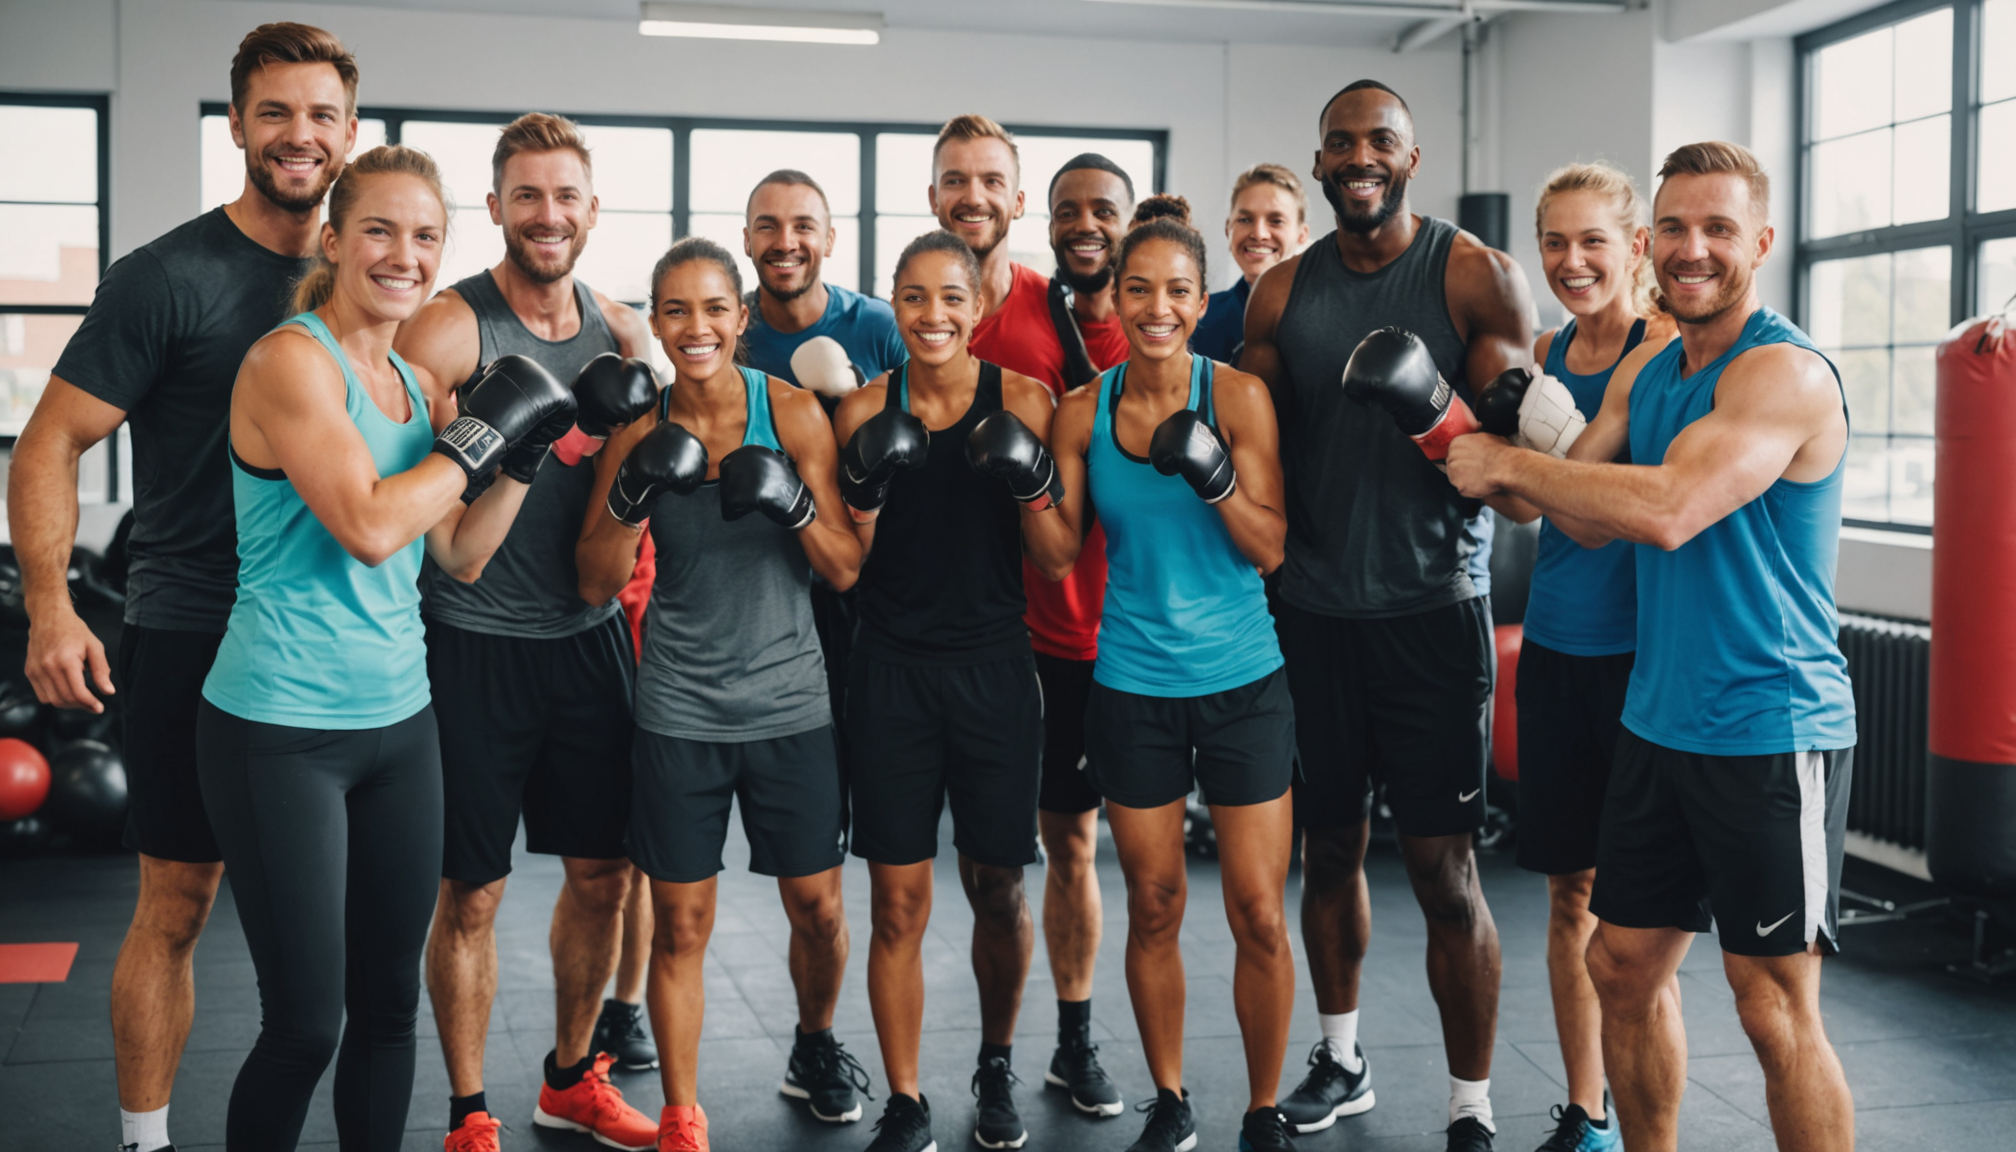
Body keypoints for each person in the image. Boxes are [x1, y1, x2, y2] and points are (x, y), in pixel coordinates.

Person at [1446, 141, 1858, 1152]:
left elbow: (1672, 508)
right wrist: (1478, 448)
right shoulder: (1648, 368)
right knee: (1621, 968)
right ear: (1652, 243)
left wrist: (1505, 460)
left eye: (1719, 228)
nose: (1693, 248)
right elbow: (1582, 520)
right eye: (1675, 227)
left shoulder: (1784, 373)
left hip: (1769, 722)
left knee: (1772, 1005)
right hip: (1658, 718)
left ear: (1760, 242)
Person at [6, 24, 357, 1152]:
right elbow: (49, 442)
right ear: (239, 125)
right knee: (177, 905)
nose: (298, 135)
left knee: (354, 936)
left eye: (320, 115)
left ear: (350, 131)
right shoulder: (166, 278)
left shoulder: (371, 272)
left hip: (340, 645)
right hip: (197, 634)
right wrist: (55, 606)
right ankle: (144, 1143)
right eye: (274, 113)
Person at [197, 143, 571, 1152]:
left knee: (391, 1009)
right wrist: (477, 445)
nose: (402, 255)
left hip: (401, 728)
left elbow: (454, 553)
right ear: (333, 240)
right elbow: (367, 522)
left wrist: (520, 460)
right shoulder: (288, 362)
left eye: (424, 237)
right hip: (280, 728)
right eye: (378, 229)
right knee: (305, 1025)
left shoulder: (413, 378)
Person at [1240, 79, 1539, 1152]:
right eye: (1340, 144)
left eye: (1381, 142)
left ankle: (1471, 1104)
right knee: (1325, 851)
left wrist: (1444, 407)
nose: (1359, 158)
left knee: (1443, 870)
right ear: (1318, 165)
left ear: (1412, 160)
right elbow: (1248, 441)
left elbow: (1513, 464)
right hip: (1310, 613)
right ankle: (1343, 1057)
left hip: (1431, 612)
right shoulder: (1278, 296)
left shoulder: (1474, 276)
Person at [392, 113, 661, 1152]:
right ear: (496, 205)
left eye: (566, 197)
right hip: (471, 640)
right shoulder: (448, 334)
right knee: (474, 888)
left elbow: (638, 502)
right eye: (527, 196)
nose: (547, 216)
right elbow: (419, 521)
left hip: (590, 639)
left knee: (605, 874)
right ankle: (467, 1111)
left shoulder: (625, 336)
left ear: (593, 211)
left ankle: (569, 1076)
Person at [574, 236, 866, 1152]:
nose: (695, 328)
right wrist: (628, 493)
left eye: (713, 310)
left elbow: (848, 569)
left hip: (790, 703)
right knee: (681, 924)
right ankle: (682, 1116)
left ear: (741, 320)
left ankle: (814, 1043)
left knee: (817, 909)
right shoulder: (638, 426)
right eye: (675, 311)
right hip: (680, 708)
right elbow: (590, 580)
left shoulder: (794, 415)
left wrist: (795, 505)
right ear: (655, 324)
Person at [1046, 196, 1299, 1152]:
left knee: (1256, 910)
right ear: (1115, 294)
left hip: (1241, 681)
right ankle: (1171, 1096)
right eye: (1139, 288)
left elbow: (1270, 549)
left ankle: (1263, 1108)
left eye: (1178, 291)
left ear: (1200, 302)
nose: (1158, 307)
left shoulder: (1236, 398)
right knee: (1153, 903)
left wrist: (1218, 478)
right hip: (1133, 685)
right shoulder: (1083, 412)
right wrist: (1030, 485)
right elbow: (1059, 554)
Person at [831, 230, 1079, 1152]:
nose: (932, 315)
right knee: (896, 902)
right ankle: (904, 1097)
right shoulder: (860, 407)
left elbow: (1055, 559)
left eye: (950, 298)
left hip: (996, 671)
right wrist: (864, 490)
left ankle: (996, 1063)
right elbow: (846, 571)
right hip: (890, 672)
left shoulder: (1025, 401)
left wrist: (1031, 476)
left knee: (999, 887)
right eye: (913, 298)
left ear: (978, 311)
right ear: (893, 308)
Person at [928, 116, 1132, 1121]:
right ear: (934, 196)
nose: (972, 196)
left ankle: (1075, 1037)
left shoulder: (1069, 317)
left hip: (1078, 627)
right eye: (954, 179)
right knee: (986, 864)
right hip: (972, 638)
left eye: (990, 181)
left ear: (1017, 203)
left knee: (1074, 843)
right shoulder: (920, 311)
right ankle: (994, 1060)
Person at [1508, 161, 1675, 1152]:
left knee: (1637, 921)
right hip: (1558, 647)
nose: (1573, 262)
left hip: (1644, 658)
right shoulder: (1544, 350)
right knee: (1569, 893)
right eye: (1556, 244)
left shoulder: (1669, 356)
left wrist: (1533, 467)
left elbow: (1621, 512)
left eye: (1592, 242)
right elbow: (1534, 505)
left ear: (1637, 249)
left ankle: (1645, 1114)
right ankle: (1587, 1110)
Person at [736, 166, 908, 823]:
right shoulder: (728, 335)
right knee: (802, 805)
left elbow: (929, 438)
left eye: (803, 225)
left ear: (830, 239)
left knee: (885, 795)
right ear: (747, 240)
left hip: (873, 583)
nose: (787, 241)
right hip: (769, 586)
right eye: (769, 226)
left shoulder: (880, 326)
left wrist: (861, 415)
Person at [1191, 164, 1309, 366]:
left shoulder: (1324, 317)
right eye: (1245, 219)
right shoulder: (1198, 319)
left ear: (1301, 234)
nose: (1259, 233)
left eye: (1276, 221)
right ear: (1228, 229)